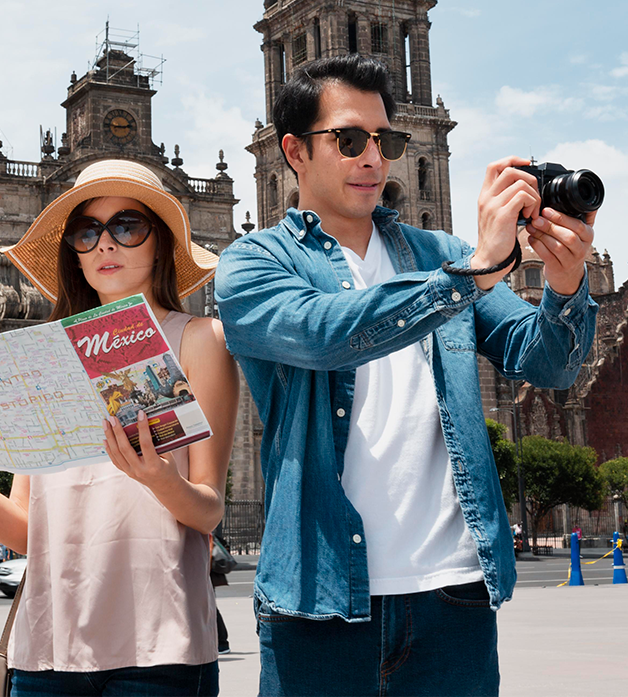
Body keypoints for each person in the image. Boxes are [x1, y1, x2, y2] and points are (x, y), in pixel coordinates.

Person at [214, 54, 599, 697]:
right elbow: (328, 333)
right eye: (349, 139)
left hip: (454, 598)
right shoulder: (254, 263)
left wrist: (564, 283)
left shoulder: (440, 255)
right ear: (294, 151)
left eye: (386, 141)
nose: (374, 158)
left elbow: (548, 364)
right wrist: (472, 273)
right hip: (322, 600)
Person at [0, 159, 238, 697]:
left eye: (127, 226)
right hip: (45, 652)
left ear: (160, 243)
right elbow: (24, 531)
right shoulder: (43, 354)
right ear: (74, 254)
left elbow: (208, 508)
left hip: (159, 648)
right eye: (87, 233)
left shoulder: (200, 339)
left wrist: (158, 477)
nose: (105, 245)